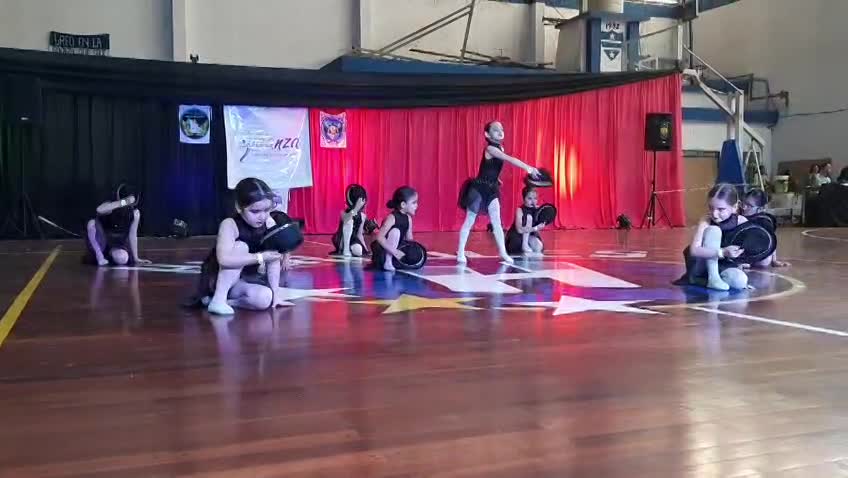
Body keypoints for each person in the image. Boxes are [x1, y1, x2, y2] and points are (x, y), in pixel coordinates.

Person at [198, 178, 292, 316]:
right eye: (255, 211)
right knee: (241, 247)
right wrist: (260, 257)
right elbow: (224, 260)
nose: (262, 216)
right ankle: (218, 299)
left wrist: (276, 295)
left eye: (267, 210)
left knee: (265, 298)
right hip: (219, 280)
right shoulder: (229, 224)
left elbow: (273, 259)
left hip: (241, 281)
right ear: (239, 207)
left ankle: (226, 302)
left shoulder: (269, 223)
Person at [456, 121, 540, 264]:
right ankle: (460, 251)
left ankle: (503, 252)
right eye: (496, 130)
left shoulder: (500, 147)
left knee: (497, 222)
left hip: (492, 189)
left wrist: (497, 179)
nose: (500, 132)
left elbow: (492, 168)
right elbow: (508, 159)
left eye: (502, 129)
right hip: (479, 189)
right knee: (470, 220)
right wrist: (529, 168)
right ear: (487, 134)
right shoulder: (490, 149)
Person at [675, 183, 749, 291]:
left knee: (740, 281)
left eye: (721, 209)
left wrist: (741, 261)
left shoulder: (742, 222)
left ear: (734, 207)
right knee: (714, 230)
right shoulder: (706, 221)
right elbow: (694, 250)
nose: (714, 214)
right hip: (701, 263)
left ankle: (702, 280)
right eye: (711, 208)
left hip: (723, 264)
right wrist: (722, 252)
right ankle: (712, 278)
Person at [84, 186, 150, 267]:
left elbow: (132, 235)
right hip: (102, 241)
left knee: (122, 258)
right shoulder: (111, 206)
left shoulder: (134, 213)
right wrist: (123, 202)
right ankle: (100, 257)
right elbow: (99, 209)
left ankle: (109, 256)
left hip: (116, 244)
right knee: (91, 223)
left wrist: (136, 258)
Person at [370, 186, 418, 272]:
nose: (416, 205)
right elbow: (379, 237)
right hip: (384, 251)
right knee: (395, 232)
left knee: (412, 256)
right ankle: (387, 262)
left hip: (395, 251)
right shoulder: (392, 218)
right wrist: (394, 251)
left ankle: (392, 260)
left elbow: (409, 239)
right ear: (403, 205)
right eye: (414, 203)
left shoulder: (408, 218)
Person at [740, 189, 789, 268]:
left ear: (760, 209)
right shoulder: (739, 216)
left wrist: (774, 261)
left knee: (765, 261)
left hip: (755, 253)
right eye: (743, 203)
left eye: (749, 205)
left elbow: (771, 240)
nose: (744, 208)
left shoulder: (764, 221)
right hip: (741, 252)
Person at [505, 186, 545, 256]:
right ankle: (525, 245)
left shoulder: (538, 211)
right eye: (529, 198)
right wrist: (535, 228)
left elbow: (539, 226)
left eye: (535, 198)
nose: (533, 201)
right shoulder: (519, 210)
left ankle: (527, 247)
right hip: (517, 238)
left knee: (539, 246)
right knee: (529, 218)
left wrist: (541, 223)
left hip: (529, 235)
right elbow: (519, 230)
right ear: (524, 199)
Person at [330, 186, 368, 257]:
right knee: (349, 221)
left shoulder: (363, 216)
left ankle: (349, 249)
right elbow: (346, 220)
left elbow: (359, 234)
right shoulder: (343, 212)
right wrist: (356, 208)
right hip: (341, 239)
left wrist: (365, 249)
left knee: (358, 250)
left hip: (353, 240)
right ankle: (346, 249)